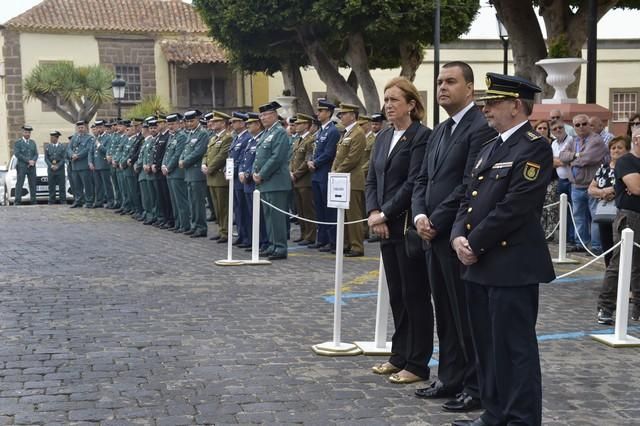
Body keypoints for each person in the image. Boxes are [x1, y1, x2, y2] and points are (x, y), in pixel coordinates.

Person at [450, 73, 555, 426]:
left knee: (514, 347)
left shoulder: (533, 146)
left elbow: (515, 207)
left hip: (511, 263)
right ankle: (494, 413)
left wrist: (474, 242)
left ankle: (522, 418)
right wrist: (456, 237)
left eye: (493, 103)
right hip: (479, 263)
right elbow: (468, 197)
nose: (485, 109)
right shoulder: (489, 147)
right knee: (487, 345)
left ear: (515, 105)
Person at [412, 62, 495, 410]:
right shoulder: (441, 130)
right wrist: (419, 215)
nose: (443, 87)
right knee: (444, 312)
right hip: (431, 235)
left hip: (457, 235)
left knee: (465, 316)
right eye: (439, 82)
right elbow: (421, 180)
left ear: (470, 89)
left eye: (451, 81)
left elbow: (469, 184)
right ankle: (449, 377)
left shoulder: (480, 128)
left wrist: (437, 219)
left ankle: (474, 386)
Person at [366, 76, 433, 385]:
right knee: (397, 295)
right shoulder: (382, 137)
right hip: (383, 227)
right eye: (386, 99)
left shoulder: (421, 136)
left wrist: (385, 212)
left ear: (412, 104)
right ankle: (400, 354)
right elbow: (371, 179)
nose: (388, 105)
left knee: (415, 294)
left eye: (394, 99)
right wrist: (372, 212)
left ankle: (418, 362)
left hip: (406, 225)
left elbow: (414, 182)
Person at [596, 128, 640, 325]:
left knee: (639, 266)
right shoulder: (627, 161)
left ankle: (638, 308)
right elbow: (636, 188)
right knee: (619, 262)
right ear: (637, 139)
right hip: (630, 217)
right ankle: (605, 307)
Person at [559, 114, 608, 253]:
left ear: (589, 124)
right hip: (576, 186)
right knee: (578, 216)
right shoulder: (573, 140)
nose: (581, 127)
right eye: (577, 125)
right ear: (573, 127)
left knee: (595, 217)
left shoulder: (596, 140)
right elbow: (562, 156)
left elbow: (588, 159)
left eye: (584, 123)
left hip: (593, 186)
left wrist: (572, 159)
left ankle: (596, 246)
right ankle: (581, 244)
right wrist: (576, 155)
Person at [253, 101, 292, 260]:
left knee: (276, 217)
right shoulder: (266, 133)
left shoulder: (279, 132)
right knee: (268, 216)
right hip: (265, 181)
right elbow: (259, 157)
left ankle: (280, 247)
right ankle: (272, 244)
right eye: (261, 115)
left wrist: (261, 173)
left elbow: (277, 157)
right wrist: (255, 172)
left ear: (275, 115)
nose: (263, 118)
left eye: (266, 114)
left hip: (275, 181)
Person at [588, 136, 629, 267]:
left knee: (621, 244)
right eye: (613, 148)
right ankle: (609, 272)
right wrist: (603, 192)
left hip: (623, 211)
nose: (615, 150)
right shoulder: (603, 168)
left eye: (619, 147)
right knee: (606, 244)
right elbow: (591, 189)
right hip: (604, 210)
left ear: (627, 150)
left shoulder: (630, 167)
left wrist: (613, 190)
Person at [332, 103, 366, 257]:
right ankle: (347, 243)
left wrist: (337, 171)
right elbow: (339, 155)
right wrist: (334, 170)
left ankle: (357, 246)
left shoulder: (357, 133)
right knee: (344, 215)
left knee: (353, 216)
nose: (341, 117)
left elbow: (352, 158)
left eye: (343, 114)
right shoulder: (346, 133)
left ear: (352, 115)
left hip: (352, 180)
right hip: (343, 180)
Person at [307, 99, 340, 252]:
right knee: (319, 209)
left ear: (328, 113)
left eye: (321, 111)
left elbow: (329, 153)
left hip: (325, 173)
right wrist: (310, 161)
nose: (318, 114)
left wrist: (315, 162)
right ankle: (322, 239)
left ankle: (333, 241)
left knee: (329, 210)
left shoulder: (332, 131)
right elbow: (313, 149)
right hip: (316, 175)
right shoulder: (320, 131)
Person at [240, 112, 269, 251]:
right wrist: (241, 171)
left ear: (258, 124)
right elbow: (243, 159)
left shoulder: (260, 139)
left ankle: (264, 241)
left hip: (255, 182)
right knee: (252, 214)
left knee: (260, 215)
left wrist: (248, 173)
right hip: (247, 183)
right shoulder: (250, 140)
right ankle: (256, 241)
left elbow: (258, 160)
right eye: (247, 124)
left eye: (250, 123)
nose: (248, 126)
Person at [203, 111, 232, 242]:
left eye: (215, 121)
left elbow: (222, 156)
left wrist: (210, 168)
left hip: (219, 176)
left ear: (223, 123)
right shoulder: (213, 138)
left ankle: (226, 232)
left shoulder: (227, 137)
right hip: (211, 177)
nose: (212, 124)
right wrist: (203, 164)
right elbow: (206, 154)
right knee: (216, 207)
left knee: (223, 207)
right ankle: (221, 230)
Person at [180, 110, 210, 238]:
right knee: (192, 201)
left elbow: (199, 151)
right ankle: (194, 225)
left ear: (197, 120)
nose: (189, 123)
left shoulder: (202, 134)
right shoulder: (190, 134)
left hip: (197, 172)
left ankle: (201, 227)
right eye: (187, 121)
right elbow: (185, 150)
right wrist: (181, 159)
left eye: (192, 121)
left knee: (198, 202)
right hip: (189, 172)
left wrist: (185, 161)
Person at [290, 113, 317, 246]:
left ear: (306, 125)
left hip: (305, 180)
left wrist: (296, 174)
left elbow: (307, 160)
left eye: (299, 123)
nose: (296, 125)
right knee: (300, 210)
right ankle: (303, 233)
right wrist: (290, 171)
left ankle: (311, 235)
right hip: (296, 180)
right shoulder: (297, 140)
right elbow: (293, 158)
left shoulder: (310, 140)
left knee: (308, 209)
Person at [551, 119, 576, 248]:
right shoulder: (554, 143)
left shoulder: (571, 140)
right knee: (564, 210)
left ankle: (573, 238)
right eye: (555, 129)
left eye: (560, 127)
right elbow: (551, 161)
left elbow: (572, 158)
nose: (558, 130)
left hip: (572, 180)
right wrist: (562, 159)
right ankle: (565, 238)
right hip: (561, 180)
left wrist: (561, 159)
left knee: (573, 210)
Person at [162, 113, 190, 233]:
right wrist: (163, 164)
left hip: (177, 173)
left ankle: (185, 224)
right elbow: (167, 153)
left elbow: (177, 154)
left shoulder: (181, 136)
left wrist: (168, 167)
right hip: (169, 172)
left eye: (173, 124)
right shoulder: (172, 136)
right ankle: (178, 223)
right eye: (169, 124)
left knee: (181, 200)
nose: (171, 126)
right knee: (174, 200)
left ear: (179, 124)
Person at [229, 112, 252, 247]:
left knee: (244, 209)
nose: (232, 124)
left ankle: (248, 237)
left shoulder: (246, 138)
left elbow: (241, 159)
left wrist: (234, 169)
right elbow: (231, 156)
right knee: (237, 209)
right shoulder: (236, 138)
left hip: (240, 177)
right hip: (234, 177)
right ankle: (242, 234)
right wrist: (228, 169)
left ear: (242, 123)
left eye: (235, 121)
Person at [535, 119, 559, 240]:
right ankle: (541, 231)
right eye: (540, 128)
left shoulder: (554, 143)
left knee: (551, 206)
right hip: (537, 180)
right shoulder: (532, 143)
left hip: (552, 178)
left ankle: (550, 232)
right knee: (540, 205)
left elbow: (559, 161)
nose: (542, 130)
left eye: (545, 128)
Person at [68, 120, 95, 208]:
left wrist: (78, 156)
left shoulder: (89, 138)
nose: (80, 129)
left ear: (85, 128)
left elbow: (88, 149)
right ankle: (78, 200)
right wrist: (72, 154)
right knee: (77, 185)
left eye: (82, 127)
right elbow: (69, 148)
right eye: (79, 128)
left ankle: (89, 201)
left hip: (84, 165)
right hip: (75, 165)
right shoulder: (74, 137)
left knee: (87, 185)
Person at [13, 125, 39, 205]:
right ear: (23, 132)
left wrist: (33, 161)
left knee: (33, 183)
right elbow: (17, 154)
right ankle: (17, 201)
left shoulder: (32, 142)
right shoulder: (18, 143)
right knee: (20, 183)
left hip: (32, 166)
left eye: (29, 132)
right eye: (26, 132)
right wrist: (28, 161)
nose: (27, 134)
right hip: (22, 166)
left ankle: (33, 200)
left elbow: (36, 154)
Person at [92, 120, 115, 208]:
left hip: (104, 164)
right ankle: (99, 201)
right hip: (97, 164)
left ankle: (110, 201)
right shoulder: (97, 138)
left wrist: (99, 146)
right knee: (98, 185)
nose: (98, 129)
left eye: (100, 127)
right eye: (97, 128)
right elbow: (93, 151)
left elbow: (107, 151)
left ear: (103, 128)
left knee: (107, 185)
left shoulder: (108, 138)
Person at [44, 130, 66, 204]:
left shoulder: (62, 147)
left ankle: (63, 200)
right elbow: (46, 158)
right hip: (51, 169)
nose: (51, 139)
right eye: (51, 137)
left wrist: (58, 165)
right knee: (51, 185)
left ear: (57, 138)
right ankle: (51, 200)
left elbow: (64, 158)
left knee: (62, 185)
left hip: (60, 169)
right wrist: (51, 165)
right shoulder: (47, 147)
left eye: (53, 137)